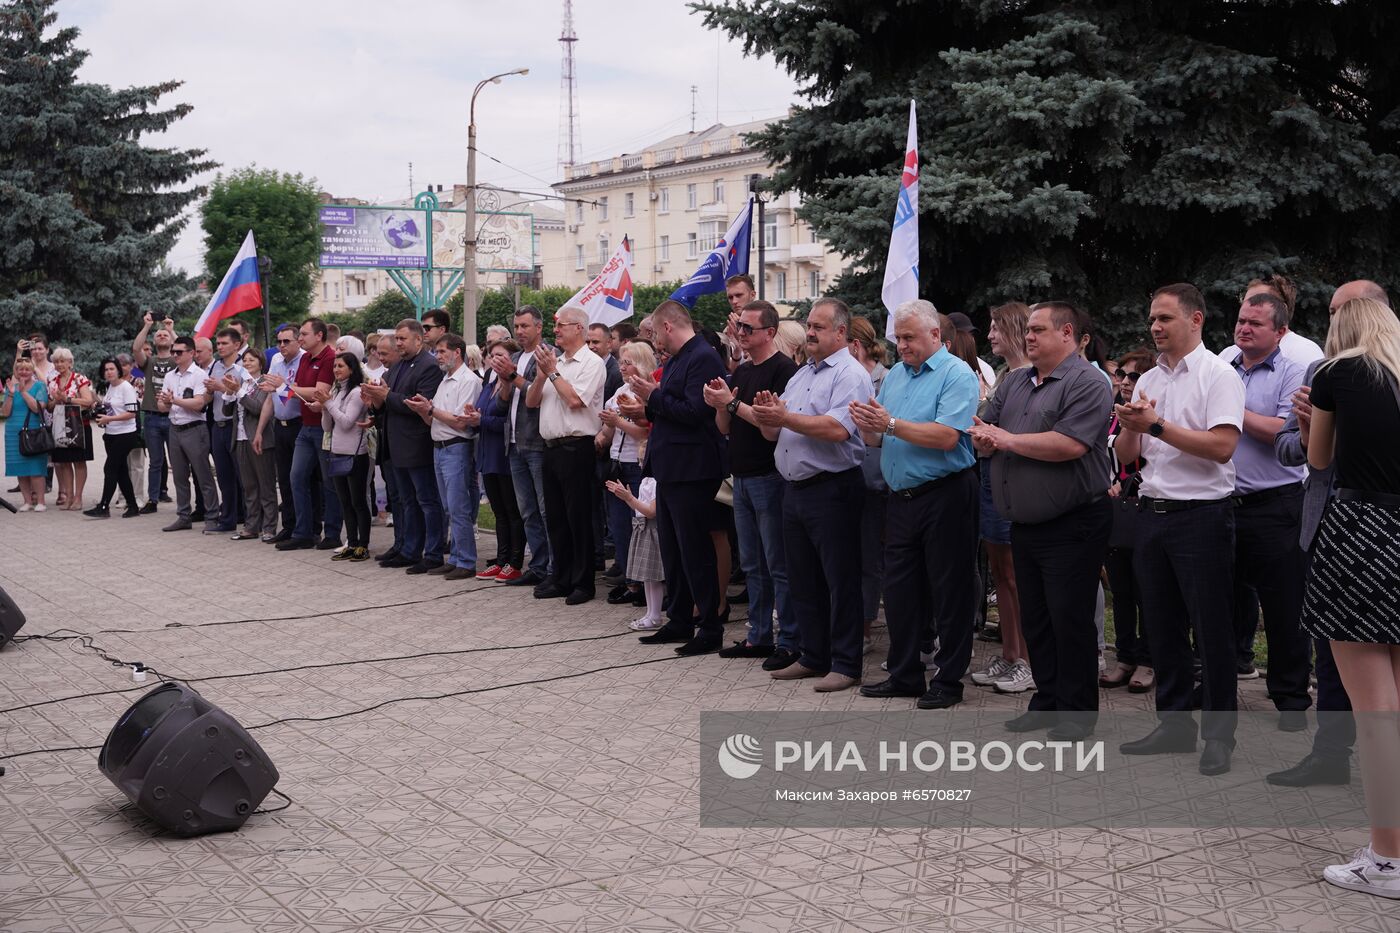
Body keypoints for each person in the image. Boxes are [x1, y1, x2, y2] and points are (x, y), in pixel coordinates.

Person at [1114, 283, 1245, 776]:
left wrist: (1157, 426)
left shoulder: (1218, 375)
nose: (1155, 326)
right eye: (1152, 318)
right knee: (1161, 626)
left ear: (1195, 321)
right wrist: (1131, 422)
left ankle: (1218, 735)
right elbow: (1128, 457)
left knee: (1210, 629)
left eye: (1165, 318)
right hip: (1153, 513)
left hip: (1202, 516)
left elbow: (1222, 448)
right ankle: (1172, 724)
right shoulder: (1149, 377)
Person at [970, 302, 1114, 738]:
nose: (1028, 337)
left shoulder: (1088, 381)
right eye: (1027, 330)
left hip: (1074, 521)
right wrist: (983, 438)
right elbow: (985, 427)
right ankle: (1047, 701)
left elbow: (1069, 444)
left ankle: (1077, 712)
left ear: (1067, 333)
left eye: (1037, 330)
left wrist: (1005, 440)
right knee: (1038, 619)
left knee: (1069, 620)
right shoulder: (1015, 381)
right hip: (1025, 523)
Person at [1297, 292, 1400, 898]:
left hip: (1361, 534)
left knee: (1376, 710)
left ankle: (1386, 858)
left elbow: (1319, 459)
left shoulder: (1337, 373)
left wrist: (1313, 421)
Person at [851, 300, 978, 707]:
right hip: (901, 497)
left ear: (935, 335)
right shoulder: (896, 377)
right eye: (898, 338)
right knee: (901, 589)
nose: (902, 346)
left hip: (945, 493)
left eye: (909, 337)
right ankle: (904, 673)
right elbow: (883, 436)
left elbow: (946, 437)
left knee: (949, 590)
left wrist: (887, 424)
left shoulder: (956, 373)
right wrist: (868, 427)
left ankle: (949, 679)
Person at [752, 298, 872, 690]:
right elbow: (775, 432)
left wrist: (783, 417)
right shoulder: (802, 374)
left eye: (820, 326)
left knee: (839, 579)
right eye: (809, 325)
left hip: (832, 488)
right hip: (795, 488)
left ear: (841, 332)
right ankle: (813, 655)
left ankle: (846, 664)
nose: (811, 332)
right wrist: (770, 416)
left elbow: (839, 429)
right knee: (803, 578)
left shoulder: (849, 374)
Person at [617, 301, 728, 652]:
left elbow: (697, 413)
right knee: (674, 551)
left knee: (695, 552)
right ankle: (678, 619)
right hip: (669, 468)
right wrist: (647, 406)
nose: (655, 345)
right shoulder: (679, 358)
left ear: (668, 326)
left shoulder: (703, 357)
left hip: (693, 470)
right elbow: (669, 407)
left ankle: (709, 627)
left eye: (655, 334)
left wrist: (654, 396)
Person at [1226, 291, 1313, 724]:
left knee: (1284, 608)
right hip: (1223, 503)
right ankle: (1218, 689)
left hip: (1276, 505)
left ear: (1280, 331)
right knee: (1221, 603)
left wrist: (1229, 411)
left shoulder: (1297, 368)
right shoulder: (1225, 361)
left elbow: (1284, 434)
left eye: (1255, 324)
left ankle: (1291, 699)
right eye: (1241, 320)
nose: (1243, 328)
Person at [704, 300, 800, 665]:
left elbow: (770, 428)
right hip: (741, 477)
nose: (740, 333)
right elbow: (724, 428)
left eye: (748, 328)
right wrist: (718, 404)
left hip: (769, 477)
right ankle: (758, 635)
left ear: (770, 333)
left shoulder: (783, 370)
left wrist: (730, 404)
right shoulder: (742, 373)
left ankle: (788, 639)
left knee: (777, 563)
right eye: (739, 327)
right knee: (753, 563)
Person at [526, 306, 606, 604]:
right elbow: (532, 402)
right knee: (557, 518)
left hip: (577, 447)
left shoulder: (591, 362)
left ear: (580, 329)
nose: (556, 330)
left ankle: (583, 583)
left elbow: (575, 400)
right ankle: (560, 577)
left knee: (578, 518)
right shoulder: (553, 362)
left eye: (562, 325)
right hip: (551, 449)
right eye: (556, 325)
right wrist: (540, 376)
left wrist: (552, 373)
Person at [971, 301, 1032, 689]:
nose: (990, 335)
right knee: (1000, 573)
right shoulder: (1009, 375)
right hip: (992, 478)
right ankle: (1010, 653)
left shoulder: (1030, 376)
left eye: (995, 327)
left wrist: (991, 435)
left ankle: (1026, 659)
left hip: (1015, 484)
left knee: (1014, 576)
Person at [360, 319, 446, 573]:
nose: (398, 343)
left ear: (418, 340)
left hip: (417, 444)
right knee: (408, 501)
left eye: (402, 339)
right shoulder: (398, 367)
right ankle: (410, 550)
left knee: (427, 501)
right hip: (397, 444)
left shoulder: (428, 366)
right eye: (396, 338)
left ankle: (432, 553)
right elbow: (389, 402)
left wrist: (387, 397)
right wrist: (375, 401)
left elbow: (419, 403)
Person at [405, 333, 482, 581]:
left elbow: (461, 422)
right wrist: (422, 409)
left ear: (457, 352)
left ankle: (467, 561)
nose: (438, 357)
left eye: (441, 352)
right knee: (449, 506)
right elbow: (434, 417)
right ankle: (457, 558)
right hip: (439, 446)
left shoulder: (467, 381)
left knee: (459, 507)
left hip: (456, 447)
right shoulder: (445, 379)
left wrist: (431, 409)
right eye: (436, 352)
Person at [1102, 348, 1156, 693]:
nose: (1124, 382)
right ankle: (1124, 656)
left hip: (1143, 506)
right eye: (1122, 374)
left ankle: (1148, 661)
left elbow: (1152, 456)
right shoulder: (1113, 413)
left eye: (1134, 376)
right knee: (1119, 590)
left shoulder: (1149, 413)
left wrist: (1128, 480)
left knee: (1145, 591)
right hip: (1114, 510)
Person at [489, 306, 553, 587]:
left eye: (525, 326)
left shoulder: (547, 355)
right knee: (526, 511)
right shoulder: (513, 357)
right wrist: (504, 379)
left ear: (539, 327)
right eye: (516, 326)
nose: (520, 332)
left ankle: (553, 567)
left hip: (538, 442)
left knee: (544, 509)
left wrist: (513, 376)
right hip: (513, 443)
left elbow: (539, 396)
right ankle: (537, 566)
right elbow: (501, 405)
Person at [271, 318, 340, 551]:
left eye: (304, 334)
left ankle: (332, 533)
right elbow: (300, 391)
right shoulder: (306, 358)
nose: (300, 339)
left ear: (319, 335)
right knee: (296, 477)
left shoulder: (329, 357)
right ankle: (304, 533)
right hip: (306, 426)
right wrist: (280, 389)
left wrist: (284, 387)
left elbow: (320, 391)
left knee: (329, 482)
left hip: (323, 427)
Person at [598, 340, 656, 605]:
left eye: (628, 362)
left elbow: (645, 431)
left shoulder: (646, 391)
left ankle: (645, 585)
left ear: (642, 363)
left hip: (636, 464)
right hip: (617, 462)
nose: (622, 366)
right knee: (619, 527)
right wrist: (604, 431)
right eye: (621, 361)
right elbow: (612, 430)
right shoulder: (621, 389)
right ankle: (630, 580)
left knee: (639, 527)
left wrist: (617, 421)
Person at [846, 315, 890, 653]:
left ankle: (864, 626)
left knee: (869, 558)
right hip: (851, 477)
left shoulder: (884, 380)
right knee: (856, 555)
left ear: (855, 345)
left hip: (876, 480)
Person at [158, 336, 221, 532]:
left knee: (203, 476)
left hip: (195, 429)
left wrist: (173, 400)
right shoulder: (170, 376)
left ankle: (212, 516)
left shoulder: (199, 375)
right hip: (175, 429)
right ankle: (183, 516)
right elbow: (161, 406)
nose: (174, 355)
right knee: (179, 476)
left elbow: (199, 403)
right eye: (173, 351)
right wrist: (168, 402)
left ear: (192, 353)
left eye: (179, 352)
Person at [476, 340, 525, 581]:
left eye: (500, 356)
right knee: (498, 512)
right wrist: (474, 416)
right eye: (491, 355)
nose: (493, 359)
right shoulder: (489, 382)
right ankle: (501, 558)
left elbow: (507, 422)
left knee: (512, 510)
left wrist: (479, 420)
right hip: (487, 454)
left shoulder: (513, 385)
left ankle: (515, 561)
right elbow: (481, 412)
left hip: (505, 454)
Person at [223, 348, 278, 542]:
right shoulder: (242, 383)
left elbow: (257, 408)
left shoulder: (264, 383)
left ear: (260, 362)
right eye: (244, 360)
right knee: (249, 487)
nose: (246, 363)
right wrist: (230, 392)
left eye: (251, 360)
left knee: (266, 486)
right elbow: (226, 410)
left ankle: (270, 527)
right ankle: (251, 526)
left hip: (260, 439)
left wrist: (238, 391)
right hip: (240, 439)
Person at [322, 352, 372, 562]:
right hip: (337, 452)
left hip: (355, 454)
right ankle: (351, 542)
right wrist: (325, 406)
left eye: (341, 366)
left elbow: (346, 422)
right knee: (344, 502)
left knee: (358, 501)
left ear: (352, 369)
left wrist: (329, 404)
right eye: (334, 366)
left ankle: (363, 544)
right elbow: (328, 427)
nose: (336, 370)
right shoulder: (337, 392)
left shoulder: (356, 392)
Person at [259, 325, 304, 542]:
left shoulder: (304, 360)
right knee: (284, 479)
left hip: (299, 424)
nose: (282, 346)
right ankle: (288, 525)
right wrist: (260, 430)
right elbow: (270, 397)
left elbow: (297, 395)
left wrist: (280, 387)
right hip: (280, 424)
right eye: (279, 342)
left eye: (287, 341)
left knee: (301, 479)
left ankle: (305, 528)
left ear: (298, 341)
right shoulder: (276, 360)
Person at [1218, 274, 1324, 367]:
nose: (1249, 307)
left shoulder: (1304, 352)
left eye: (1260, 301)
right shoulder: (1228, 354)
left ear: (1281, 309)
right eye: (1247, 302)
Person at [83, 358, 142, 518]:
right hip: (111, 435)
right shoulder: (111, 388)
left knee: (109, 469)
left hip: (125, 434)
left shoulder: (126, 388)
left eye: (111, 369)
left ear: (118, 370)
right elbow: (112, 409)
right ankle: (133, 506)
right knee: (121, 470)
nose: (108, 372)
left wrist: (109, 419)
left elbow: (131, 413)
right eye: (106, 370)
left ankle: (103, 507)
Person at [131, 313, 177, 513]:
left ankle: (184, 500)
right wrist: (147, 326)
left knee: (179, 462)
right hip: (151, 417)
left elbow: (185, 349)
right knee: (155, 462)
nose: (162, 335)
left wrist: (170, 329)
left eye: (164, 334)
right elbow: (136, 348)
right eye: (159, 335)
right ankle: (153, 500)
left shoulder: (178, 361)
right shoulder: (149, 362)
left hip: (174, 417)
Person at [607, 472, 665, 630]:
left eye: (643, 460)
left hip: (652, 529)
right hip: (642, 527)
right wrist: (627, 498)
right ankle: (650, 613)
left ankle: (655, 616)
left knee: (653, 576)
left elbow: (651, 511)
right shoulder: (645, 480)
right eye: (639, 461)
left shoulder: (655, 482)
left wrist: (629, 498)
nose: (641, 465)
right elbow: (639, 506)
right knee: (646, 576)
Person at [203, 328, 246, 533]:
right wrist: (209, 391)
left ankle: (250, 518)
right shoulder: (216, 367)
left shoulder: (243, 367)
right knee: (224, 475)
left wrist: (222, 387)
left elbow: (248, 395)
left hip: (236, 425)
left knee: (243, 475)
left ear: (236, 345)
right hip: (217, 425)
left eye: (224, 343)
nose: (219, 347)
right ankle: (228, 518)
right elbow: (209, 398)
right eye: (218, 344)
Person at [46, 346, 95, 510]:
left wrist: (67, 399)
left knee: (78, 462)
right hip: (60, 426)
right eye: (56, 361)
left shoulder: (79, 379)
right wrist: (56, 400)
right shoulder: (52, 382)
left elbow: (88, 401)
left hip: (79, 425)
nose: (59, 364)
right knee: (64, 462)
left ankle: (78, 498)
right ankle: (68, 496)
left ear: (69, 362)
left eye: (62, 361)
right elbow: (49, 407)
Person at [3, 358, 50, 510]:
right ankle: (27, 501)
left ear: (32, 371)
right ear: (16, 371)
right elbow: (5, 412)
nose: (23, 372)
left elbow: (38, 408)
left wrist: (23, 392)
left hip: (34, 432)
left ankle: (41, 502)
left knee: (36, 468)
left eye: (27, 369)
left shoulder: (40, 386)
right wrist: (11, 394)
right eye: (20, 369)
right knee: (20, 468)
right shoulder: (11, 387)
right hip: (13, 432)